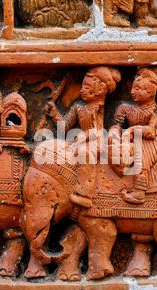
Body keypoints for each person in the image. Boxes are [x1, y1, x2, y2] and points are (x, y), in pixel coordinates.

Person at [46, 66, 121, 208]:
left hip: (96, 142)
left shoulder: (98, 108)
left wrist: (85, 135)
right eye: (82, 86)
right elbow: (64, 127)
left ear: (100, 89)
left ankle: (85, 194)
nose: (81, 90)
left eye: (87, 87)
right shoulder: (78, 108)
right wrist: (54, 113)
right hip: (79, 141)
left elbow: (98, 132)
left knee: (85, 153)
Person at [110, 67, 157, 204]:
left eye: (138, 89)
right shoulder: (126, 109)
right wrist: (115, 131)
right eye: (133, 88)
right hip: (129, 140)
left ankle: (140, 193)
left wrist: (133, 130)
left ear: (149, 92)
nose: (132, 92)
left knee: (141, 156)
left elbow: (151, 131)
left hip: (150, 143)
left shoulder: (152, 112)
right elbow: (118, 124)